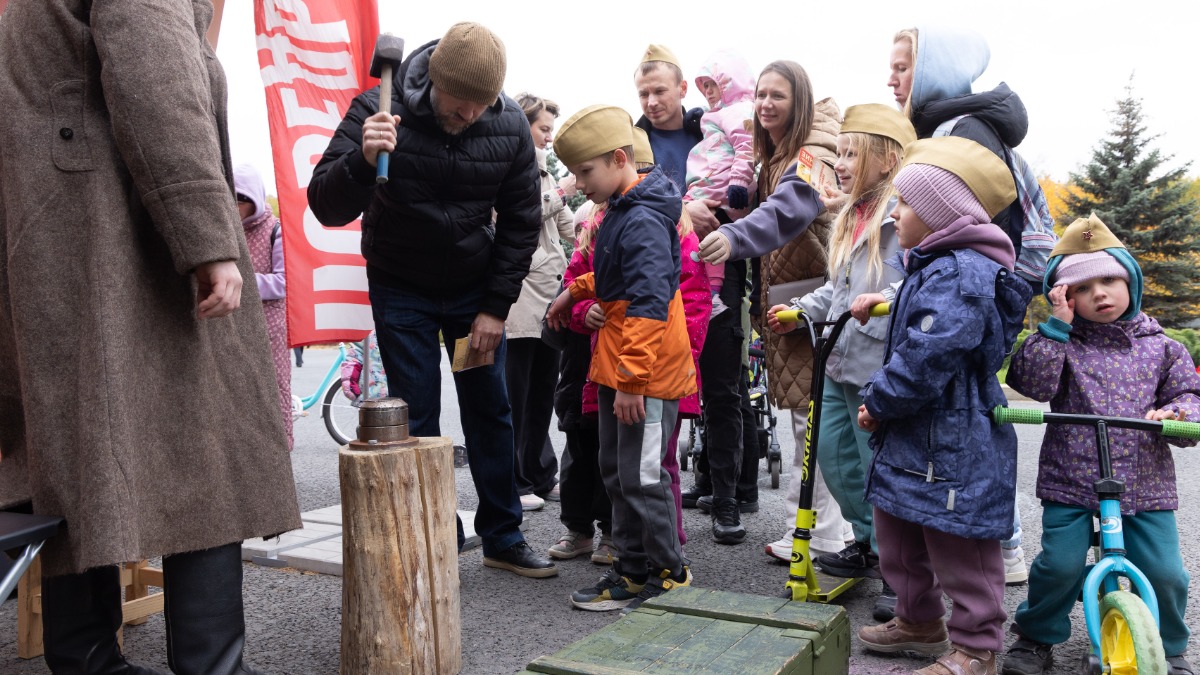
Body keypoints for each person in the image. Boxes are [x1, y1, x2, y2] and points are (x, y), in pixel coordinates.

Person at [0, 2, 302, 673]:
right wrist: (207, 239)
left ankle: (87, 660)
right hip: (121, 242)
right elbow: (157, 77)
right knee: (205, 448)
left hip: (56, 236)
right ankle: (210, 663)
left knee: (74, 456)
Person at [307, 22, 556, 578]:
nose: (471, 116)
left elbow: (521, 224)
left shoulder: (509, 123)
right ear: (435, 81)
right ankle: (430, 529)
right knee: (415, 414)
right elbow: (326, 205)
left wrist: (495, 307)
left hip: (473, 294)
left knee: (488, 408)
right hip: (402, 287)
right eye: (461, 103)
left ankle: (503, 534)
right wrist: (361, 163)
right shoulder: (377, 107)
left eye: (482, 106)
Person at [853, 137, 1032, 675]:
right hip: (918, 430)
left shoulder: (960, 274)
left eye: (904, 205)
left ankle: (977, 647)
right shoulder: (936, 265)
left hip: (956, 433)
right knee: (899, 527)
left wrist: (880, 401)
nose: (895, 214)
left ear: (937, 215)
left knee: (960, 542)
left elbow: (930, 354)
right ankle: (919, 620)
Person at [1002, 214, 1197, 675]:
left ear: (1131, 280)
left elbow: (1189, 393)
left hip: (1144, 482)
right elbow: (1032, 382)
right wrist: (1055, 326)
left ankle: (1168, 648)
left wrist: (1178, 415)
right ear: (1066, 297)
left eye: (1109, 280)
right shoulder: (1061, 342)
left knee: (1167, 573)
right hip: (1071, 477)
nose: (1099, 294)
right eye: (1082, 289)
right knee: (1059, 566)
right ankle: (1035, 637)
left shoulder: (1162, 347)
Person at [889, 23, 1037, 586]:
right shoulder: (956, 123)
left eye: (903, 67)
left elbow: (977, 222)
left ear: (932, 72)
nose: (891, 77)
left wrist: (992, 293)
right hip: (976, 283)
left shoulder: (960, 130)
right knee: (963, 418)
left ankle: (1003, 547)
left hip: (970, 288)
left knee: (964, 425)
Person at [765, 103, 915, 620]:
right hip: (839, 357)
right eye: (841, 153)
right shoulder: (851, 216)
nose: (842, 163)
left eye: (854, 153)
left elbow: (915, 284)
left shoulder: (903, 214)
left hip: (878, 363)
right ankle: (869, 542)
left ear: (888, 158)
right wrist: (799, 310)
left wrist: (886, 301)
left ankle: (902, 569)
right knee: (834, 455)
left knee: (880, 466)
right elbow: (837, 288)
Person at [696, 60, 852, 553]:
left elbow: (792, 207)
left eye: (777, 96)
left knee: (815, 422)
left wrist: (734, 235)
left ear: (800, 100)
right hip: (795, 297)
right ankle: (825, 530)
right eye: (760, 94)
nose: (764, 104)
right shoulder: (785, 151)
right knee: (812, 418)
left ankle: (818, 534)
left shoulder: (811, 154)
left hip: (809, 300)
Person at [546, 105, 695, 613]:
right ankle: (632, 568)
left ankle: (667, 573)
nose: (578, 182)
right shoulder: (622, 210)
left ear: (617, 158)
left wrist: (632, 381)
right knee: (618, 471)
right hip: (622, 367)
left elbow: (651, 302)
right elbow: (617, 278)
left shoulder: (643, 217)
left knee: (644, 476)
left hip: (645, 375)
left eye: (585, 171)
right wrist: (577, 290)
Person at [638, 43, 752, 545]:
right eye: (642, 92)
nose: (650, 100)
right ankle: (674, 486)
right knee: (669, 386)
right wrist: (685, 206)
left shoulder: (712, 123)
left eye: (659, 90)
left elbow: (746, 178)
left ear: (683, 90)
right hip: (660, 274)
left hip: (720, 262)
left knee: (723, 384)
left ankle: (727, 498)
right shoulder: (631, 137)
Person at [506, 93, 575, 512]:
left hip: (550, 290)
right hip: (519, 294)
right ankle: (515, 480)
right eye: (543, 128)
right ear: (522, 124)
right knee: (518, 390)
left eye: (551, 129)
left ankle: (541, 474)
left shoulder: (547, 173)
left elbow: (569, 226)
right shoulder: (511, 165)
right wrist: (565, 192)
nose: (549, 137)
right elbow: (522, 213)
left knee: (543, 389)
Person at [684, 49, 757, 320]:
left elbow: (746, 143)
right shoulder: (723, 113)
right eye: (706, 86)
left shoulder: (740, 110)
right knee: (707, 243)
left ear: (730, 83)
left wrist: (738, 182)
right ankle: (711, 295)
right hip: (710, 186)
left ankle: (711, 295)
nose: (709, 91)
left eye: (714, 84)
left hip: (719, 187)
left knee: (702, 240)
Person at [235, 163, 294, 451]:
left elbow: (285, 282)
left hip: (269, 328)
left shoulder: (276, 230)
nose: (236, 205)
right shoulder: (223, 230)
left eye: (243, 198)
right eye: (230, 196)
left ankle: (279, 454)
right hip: (230, 326)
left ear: (256, 199)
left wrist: (238, 282)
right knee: (235, 394)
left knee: (274, 392)